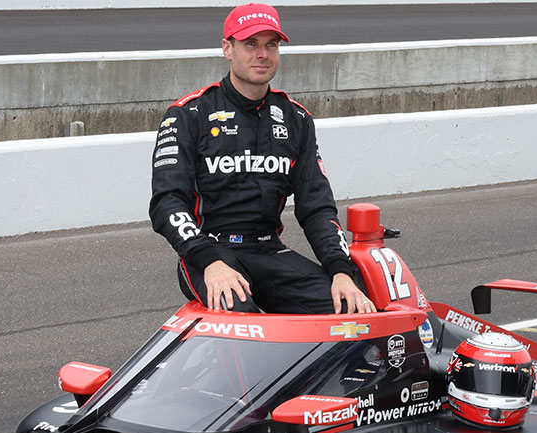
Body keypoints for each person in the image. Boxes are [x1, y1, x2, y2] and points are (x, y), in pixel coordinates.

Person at [148, 3, 375, 315]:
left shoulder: (296, 119)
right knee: (245, 321)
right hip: (211, 252)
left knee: (355, 308)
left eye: (272, 44)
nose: (262, 54)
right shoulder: (189, 114)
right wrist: (208, 262)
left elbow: (316, 207)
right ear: (227, 49)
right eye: (250, 44)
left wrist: (340, 270)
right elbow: (166, 204)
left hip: (270, 249)